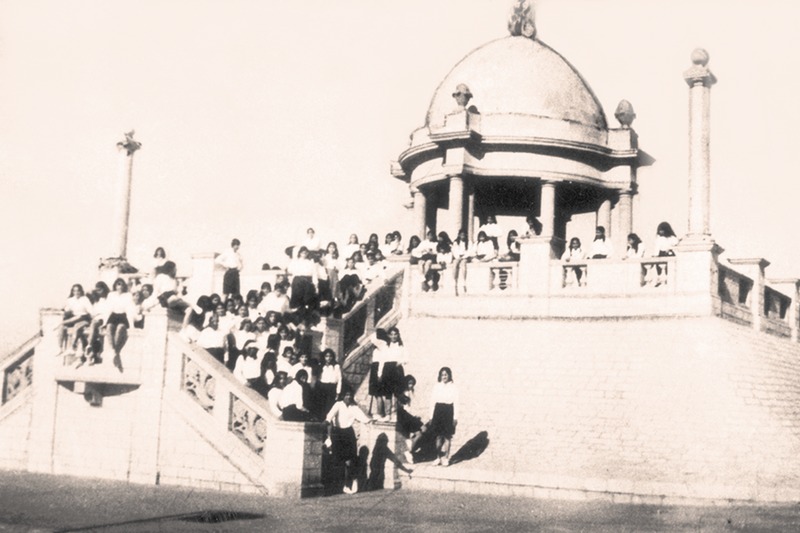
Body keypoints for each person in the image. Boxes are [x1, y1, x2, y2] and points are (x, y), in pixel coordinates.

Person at [325, 388, 373, 494]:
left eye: (350, 395)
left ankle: (347, 485)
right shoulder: (338, 405)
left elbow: (363, 418)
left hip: (349, 434)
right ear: (343, 396)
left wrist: (370, 421)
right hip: (338, 434)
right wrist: (327, 424)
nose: (349, 397)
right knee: (337, 461)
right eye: (346, 395)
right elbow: (329, 416)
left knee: (349, 461)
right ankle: (335, 486)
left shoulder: (354, 408)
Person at [105, 277, 138, 372]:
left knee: (120, 328)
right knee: (109, 327)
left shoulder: (127, 295)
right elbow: (108, 308)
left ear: (124, 286)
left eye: (121, 284)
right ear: (115, 285)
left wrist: (131, 325)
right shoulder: (111, 295)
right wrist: (104, 322)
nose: (119, 286)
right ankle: (113, 350)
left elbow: (130, 309)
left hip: (123, 316)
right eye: (118, 284)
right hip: (113, 315)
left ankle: (114, 351)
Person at [428, 366, 459, 466]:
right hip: (438, 411)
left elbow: (456, 403)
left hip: (448, 411)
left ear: (449, 375)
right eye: (442, 375)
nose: (444, 376)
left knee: (447, 437)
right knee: (438, 437)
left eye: (446, 374)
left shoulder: (453, 387)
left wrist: (455, 417)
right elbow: (432, 402)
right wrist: (430, 416)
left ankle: (446, 458)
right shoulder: (437, 386)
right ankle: (437, 457)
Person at [61, 283, 93, 356]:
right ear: (72, 292)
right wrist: (65, 310)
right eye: (74, 291)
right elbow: (66, 309)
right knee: (62, 327)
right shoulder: (71, 300)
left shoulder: (85, 299)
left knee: (77, 327)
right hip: (74, 317)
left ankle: (73, 347)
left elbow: (90, 311)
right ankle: (60, 348)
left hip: (83, 317)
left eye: (78, 291)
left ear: (81, 291)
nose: (76, 293)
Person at [319, 348, 343, 414]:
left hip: (332, 387)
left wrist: (338, 392)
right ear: (324, 357)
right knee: (322, 405)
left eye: (330, 356)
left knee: (330, 406)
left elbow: (339, 379)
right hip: (323, 387)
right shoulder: (321, 366)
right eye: (326, 356)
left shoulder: (336, 366)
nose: (328, 358)